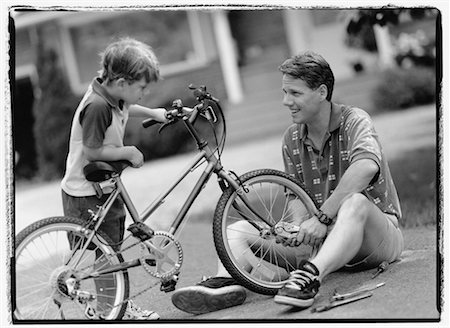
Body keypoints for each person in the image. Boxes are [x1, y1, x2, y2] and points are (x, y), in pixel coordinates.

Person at [171, 50, 403, 314]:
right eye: (284, 92)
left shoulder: (354, 120)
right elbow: (295, 195)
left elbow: (366, 166)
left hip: (376, 239)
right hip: (325, 243)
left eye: (295, 93)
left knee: (355, 203)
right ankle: (225, 284)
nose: (285, 101)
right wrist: (298, 229)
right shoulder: (291, 138)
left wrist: (322, 218)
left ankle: (309, 279)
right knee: (238, 231)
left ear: (322, 92)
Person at [61, 37, 169, 320]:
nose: (144, 92)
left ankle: (113, 304)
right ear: (122, 83)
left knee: (107, 251)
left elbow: (125, 108)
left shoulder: (111, 95)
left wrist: (152, 113)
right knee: (107, 255)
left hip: (99, 186)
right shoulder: (97, 105)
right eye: (142, 88)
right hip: (87, 191)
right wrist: (129, 152)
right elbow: (93, 149)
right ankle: (114, 309)